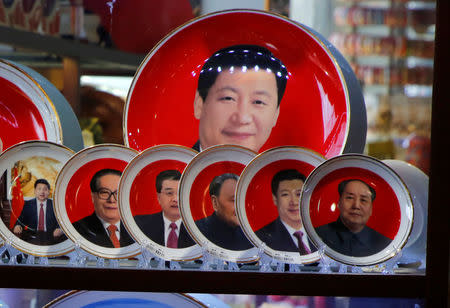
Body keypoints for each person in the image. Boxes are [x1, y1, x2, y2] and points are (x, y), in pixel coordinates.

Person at [193, 44, 288, 152]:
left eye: (258, 102)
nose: (242, 118)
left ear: (276, 114)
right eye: (228, 98)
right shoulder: (172, 168)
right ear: (199, 104)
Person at [315, 179, 392, 257]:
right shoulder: (316, 237)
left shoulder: (385, 245)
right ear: (339, 203)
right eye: (350, 198)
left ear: (371, 209)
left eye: (363, 200)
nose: (356, 206)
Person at [256, 169, 316, 254]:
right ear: (275, 199)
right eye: (285, 194)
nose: (294, 202)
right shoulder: (262, 237)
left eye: (298, 194)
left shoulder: (320, 234)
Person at [72, 169, 134, 248]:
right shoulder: (77, 230)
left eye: (118, 193)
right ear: (93, 197)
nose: (112, 200)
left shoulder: (137, 229)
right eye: (104, 192)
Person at [134, 170, 195, 248]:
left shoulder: (198, 228)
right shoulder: (140, 225)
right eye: (169, 193)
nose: (175, 199)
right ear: (158, 197)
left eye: (180, 193)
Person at [196, 173, 252, 250]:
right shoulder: (195, 231)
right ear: (215, 202)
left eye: (242, 200)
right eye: (234, 200)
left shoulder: (250, 235)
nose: (240, 206)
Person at [13, 179, 65, 245]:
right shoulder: (28, 204)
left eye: (45, 189)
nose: (42, 192)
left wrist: (60, 229)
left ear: (49, 192)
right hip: (32, 237)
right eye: (39, 189)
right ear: (35, 191)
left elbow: (62, 221)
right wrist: (17, 225)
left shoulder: (55, 205)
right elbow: (21, 219)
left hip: (51, 238)